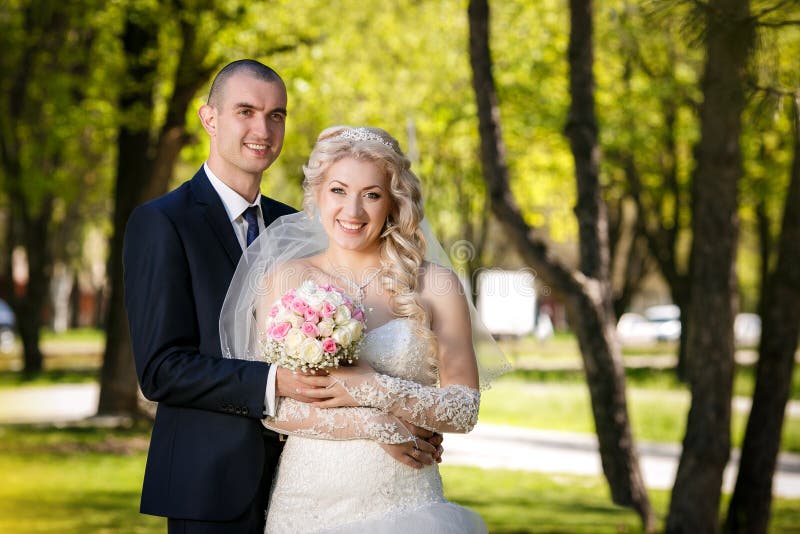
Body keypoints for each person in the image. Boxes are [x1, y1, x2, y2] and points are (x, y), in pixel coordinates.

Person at [124, 60, 442, 533]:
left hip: (306, 475)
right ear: (209, 118)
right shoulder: (163, 222)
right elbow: (161, 369)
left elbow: (347, 349)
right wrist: (277, 382)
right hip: (209, 483)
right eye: (246, 111)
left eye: (276, 115)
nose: (263, 128)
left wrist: (397, 419)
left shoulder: (299, 226)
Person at [220, 126, 509, 533]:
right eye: (338, 190)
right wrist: (378, 425)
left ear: (394, 203)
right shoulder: (285, 280)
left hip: (405, 499)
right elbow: (273, 407)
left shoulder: (436, 284)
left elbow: (463, 409)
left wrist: (373, 386)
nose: (352, 211)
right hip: (308, 499)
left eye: (371, 195)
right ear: (317, 196)